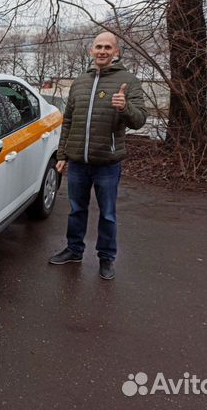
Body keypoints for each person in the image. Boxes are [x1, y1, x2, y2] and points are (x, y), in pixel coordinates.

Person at [49, 32, 147, 280]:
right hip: (79, 163)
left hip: (107, 163)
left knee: (108, 213)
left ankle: (106, 258)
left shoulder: (129, 81)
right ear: (91, 51)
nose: (102, 51)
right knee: (76, 210)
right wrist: (62, 153)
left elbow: (139, 121)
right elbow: (68, 120)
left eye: (107, 47)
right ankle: (74, 250)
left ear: (117, 52)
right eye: (98, 47)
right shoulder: (80, 81)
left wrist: (125, 107)